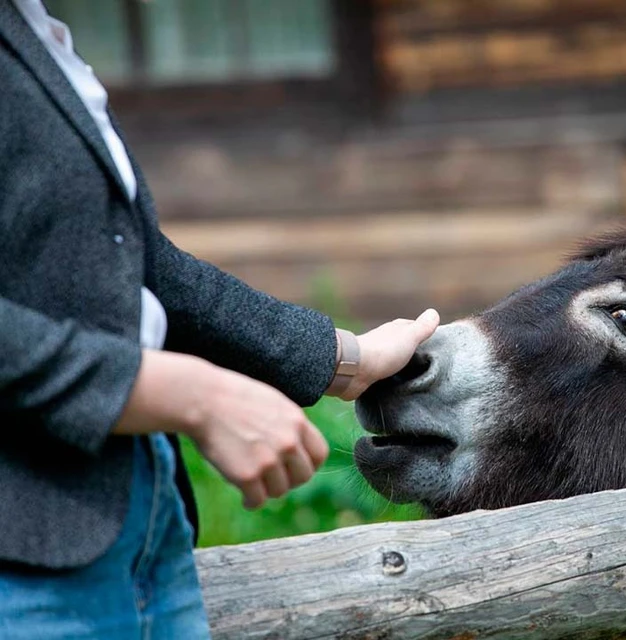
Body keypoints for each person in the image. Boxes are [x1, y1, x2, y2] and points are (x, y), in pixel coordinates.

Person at [0, 0, 440, 637]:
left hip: (141, 517)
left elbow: (139, 266)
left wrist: (344, 359)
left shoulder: (33, 31)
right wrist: (189, 394)